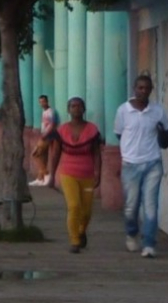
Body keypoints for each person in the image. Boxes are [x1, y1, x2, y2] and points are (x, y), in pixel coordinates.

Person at [114, 74, 168, 258]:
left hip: (153, 163)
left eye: (146, 88)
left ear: (151, 90)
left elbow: (166, 139)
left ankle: (149, 244)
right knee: (131, 206)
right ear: (134, 88)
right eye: (140, 88)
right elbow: (119, 134)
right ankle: (131, 234)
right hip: (130, 165)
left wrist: (162, 134)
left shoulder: (158, 111)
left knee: (150, 205)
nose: (143, 91)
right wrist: (130, 152)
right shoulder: (123, 111)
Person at [50, 97, 103, 254]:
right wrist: (52, 175)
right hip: (68, 173)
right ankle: (74, 240)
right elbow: (55, 153)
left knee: (86, 211)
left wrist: (98, 172)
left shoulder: (92, 130)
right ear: (68, 110)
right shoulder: (62, 130)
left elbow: (96, 153)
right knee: (74, 206)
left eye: (79, 106)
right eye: (73, 106)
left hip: (87, 175)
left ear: (84, 109)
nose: (76, 108)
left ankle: (81, 231)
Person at [30, 95, 60, 186]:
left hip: (49, 136)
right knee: (43, 156)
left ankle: (46, 174)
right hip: (44, 135)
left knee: (35, 154)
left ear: (47, 101)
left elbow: (53, 124)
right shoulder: (44, 112)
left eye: (43, 101)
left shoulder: (51, 112)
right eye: (40, 102)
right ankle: (40, 178)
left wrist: (45, 135)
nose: (42, 103)